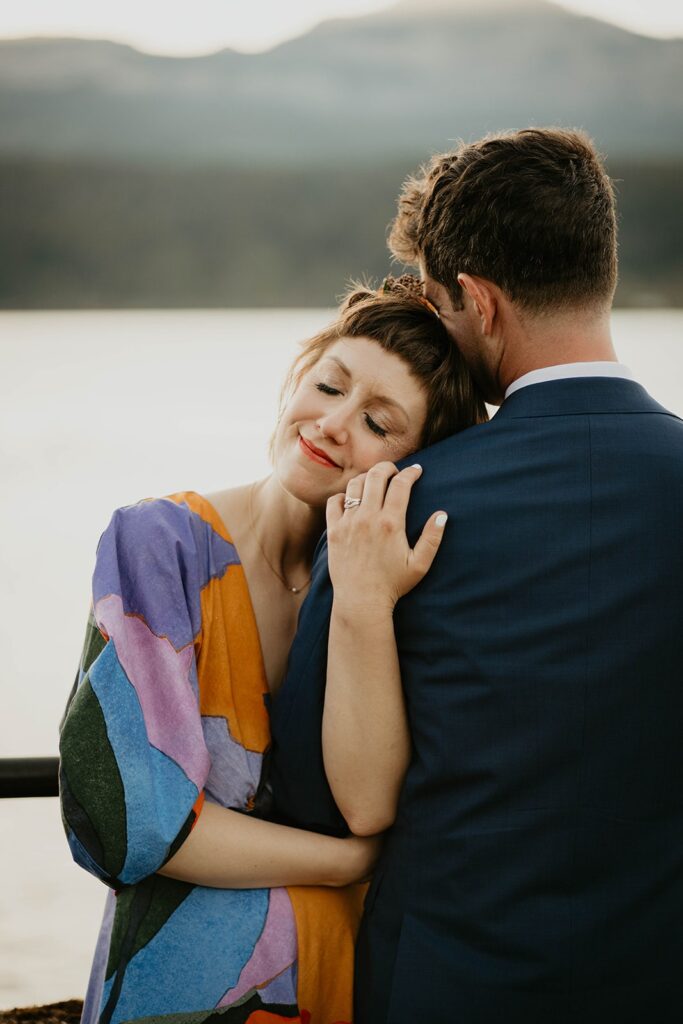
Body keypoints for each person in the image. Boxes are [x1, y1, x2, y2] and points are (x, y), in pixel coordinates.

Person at [269, 127, 683, 1022]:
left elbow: (311, 790)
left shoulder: (393, 505)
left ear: (478, 303)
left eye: (438, 304)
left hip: (444, 985)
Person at [58, 277, 486, 1024]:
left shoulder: (383, 589)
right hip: (185, 989)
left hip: (345, 979)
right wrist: (355, 864)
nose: (332, 424)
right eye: (329, 385)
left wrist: (365, 601)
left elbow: (370, 801)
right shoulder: (157, 546)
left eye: (378, 424)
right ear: (301, 372)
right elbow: (132, 823)